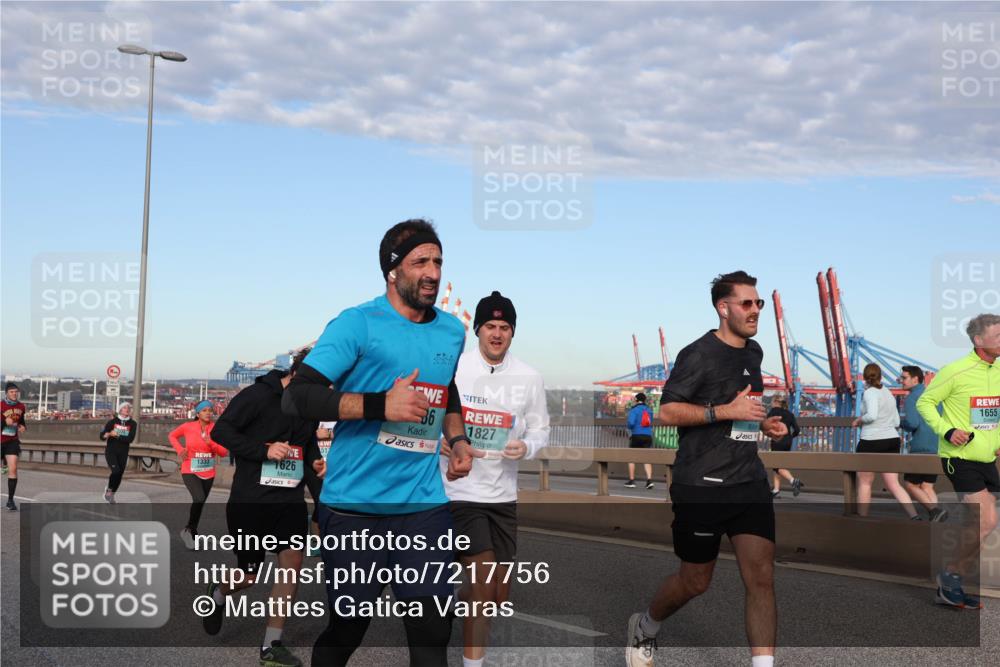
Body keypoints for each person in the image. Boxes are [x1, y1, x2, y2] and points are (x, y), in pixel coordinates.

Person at [282, 218, 478, 667]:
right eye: (420, 262)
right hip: (354, 507)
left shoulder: (451, 330)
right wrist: (379, 405)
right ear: (392, 271)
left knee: (432, 631)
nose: (432, 272)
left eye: (438, 261)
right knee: (348, 627)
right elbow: (299, 396)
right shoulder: (357, 323)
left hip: (422, 506)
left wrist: (459, 438)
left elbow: (444, 390)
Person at [626, 271, 788, 667]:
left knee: (761, 578)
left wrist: (762, 422)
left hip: (748, 480)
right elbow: (666, 412)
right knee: (695, 581)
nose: (755, 311)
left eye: (759, 303)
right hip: (701, 484)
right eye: (747, 303)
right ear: (723, 307)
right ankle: (646, 625)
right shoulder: (697, 354)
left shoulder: (754, 352)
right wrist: (723, 411)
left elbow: (742, 411)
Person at [440, 290, 550, 667]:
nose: (497, 334)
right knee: (483, 579)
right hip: (459, 491)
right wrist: (443, 441)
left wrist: (528, 447)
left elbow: (541, 429)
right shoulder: (456, 369)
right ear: (479, 330)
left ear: (513, 332)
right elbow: (433, 417)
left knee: (498, 594)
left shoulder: (529, 377)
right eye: (490, 326)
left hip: (503, 496)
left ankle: (456, 597)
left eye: (504, 327)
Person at [202, 349, 323, 667]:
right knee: (248, 575)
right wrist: (263, 450)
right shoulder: (257, 395)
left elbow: (307, 448)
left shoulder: (309, 408)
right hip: (251, 499)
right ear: (297, 374)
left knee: (292, 564)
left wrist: (319, 486)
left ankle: (271, 646)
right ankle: (218, 593)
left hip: (289, 500)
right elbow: (221, 431)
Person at [917, 313, 1000, 609]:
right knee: (987, 519)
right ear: (979, 340)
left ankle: (954, 582)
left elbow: (992, 412)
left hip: (988, 459)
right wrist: (947, 430)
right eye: (998, 335)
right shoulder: (955, 370)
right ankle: (950, 576)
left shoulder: (999, 369)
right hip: (959, 459)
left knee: (981, 525)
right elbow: (924, 402)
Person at [851, 363, 919, 520]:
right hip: (892, 440)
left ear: (865, 377)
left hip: (871, 441)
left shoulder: (869, 393)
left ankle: (862, 519)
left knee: (865, 482)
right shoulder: (888, 392)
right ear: (880, 376)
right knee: (893, 483)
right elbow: (896, 421)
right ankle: (914, 515)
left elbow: (872, 415)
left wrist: (859, 420)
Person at [169, 400, 228, 548]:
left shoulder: (216, 429)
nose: (208, 413)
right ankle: (190, 531)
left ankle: (190, 531)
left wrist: (211, 443)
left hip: (208, 471)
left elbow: (223, 452)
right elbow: (172, 436)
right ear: (198, 413)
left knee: (199, 503)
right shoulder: (188, 427)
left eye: (210, 410)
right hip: (190, 469)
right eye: (204, 410)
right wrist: (180, 449)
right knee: (199, 498)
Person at [899, 366, 947, 522]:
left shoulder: (913, 397)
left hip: (921, 446)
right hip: (937, 445)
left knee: (910, 484)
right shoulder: (933, 394)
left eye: (904, 377)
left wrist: (900, 423)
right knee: (927, 486)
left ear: (915, 379)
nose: (901, 380)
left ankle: (935, 510)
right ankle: (937, 517)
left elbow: (912, 423)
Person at [99, 402, 138, 504]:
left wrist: (116, 435)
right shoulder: (112, 422)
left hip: (123, 452)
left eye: (129, 408)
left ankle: (111, 494)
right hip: (111, 451)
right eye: (125, 408)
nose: (127, 409)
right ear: (120, 410)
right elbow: (102, 436)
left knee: (120, 474)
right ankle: (108, 491)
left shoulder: (133, 424)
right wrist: (106, 435)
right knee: (115, 471)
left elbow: (130, 439)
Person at [766, 395, 802, 499]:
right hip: (787, 441)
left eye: (772, 402)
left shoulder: (772, 412)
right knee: (778, 465)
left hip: (777, 440)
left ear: (775, 402)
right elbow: (797, 430)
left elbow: (767, 426)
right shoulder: (789, 414)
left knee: (777, 465)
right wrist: (790, 437)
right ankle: (776, 490)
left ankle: (793, 481)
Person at [2, 382, 27, 511]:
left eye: (16, 392)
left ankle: (10, 500)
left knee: (13, 468)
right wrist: (3, 421)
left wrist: (23, 426)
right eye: (12, 392)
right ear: (6, 393)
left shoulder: (21, 406)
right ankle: (3, 463)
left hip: (12, 440)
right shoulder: (1, 405)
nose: (14, 394)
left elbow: (21, 421)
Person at [626, 393, 655, 489]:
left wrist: (630, 427)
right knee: (647, 458)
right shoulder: (649, 410)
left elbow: (631, 423)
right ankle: (649, 481)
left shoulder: (634, 410)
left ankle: (631, 481)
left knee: (631, 458)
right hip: (648, 436)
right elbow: (650, 422)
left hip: (637, 435)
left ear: (636, 400)